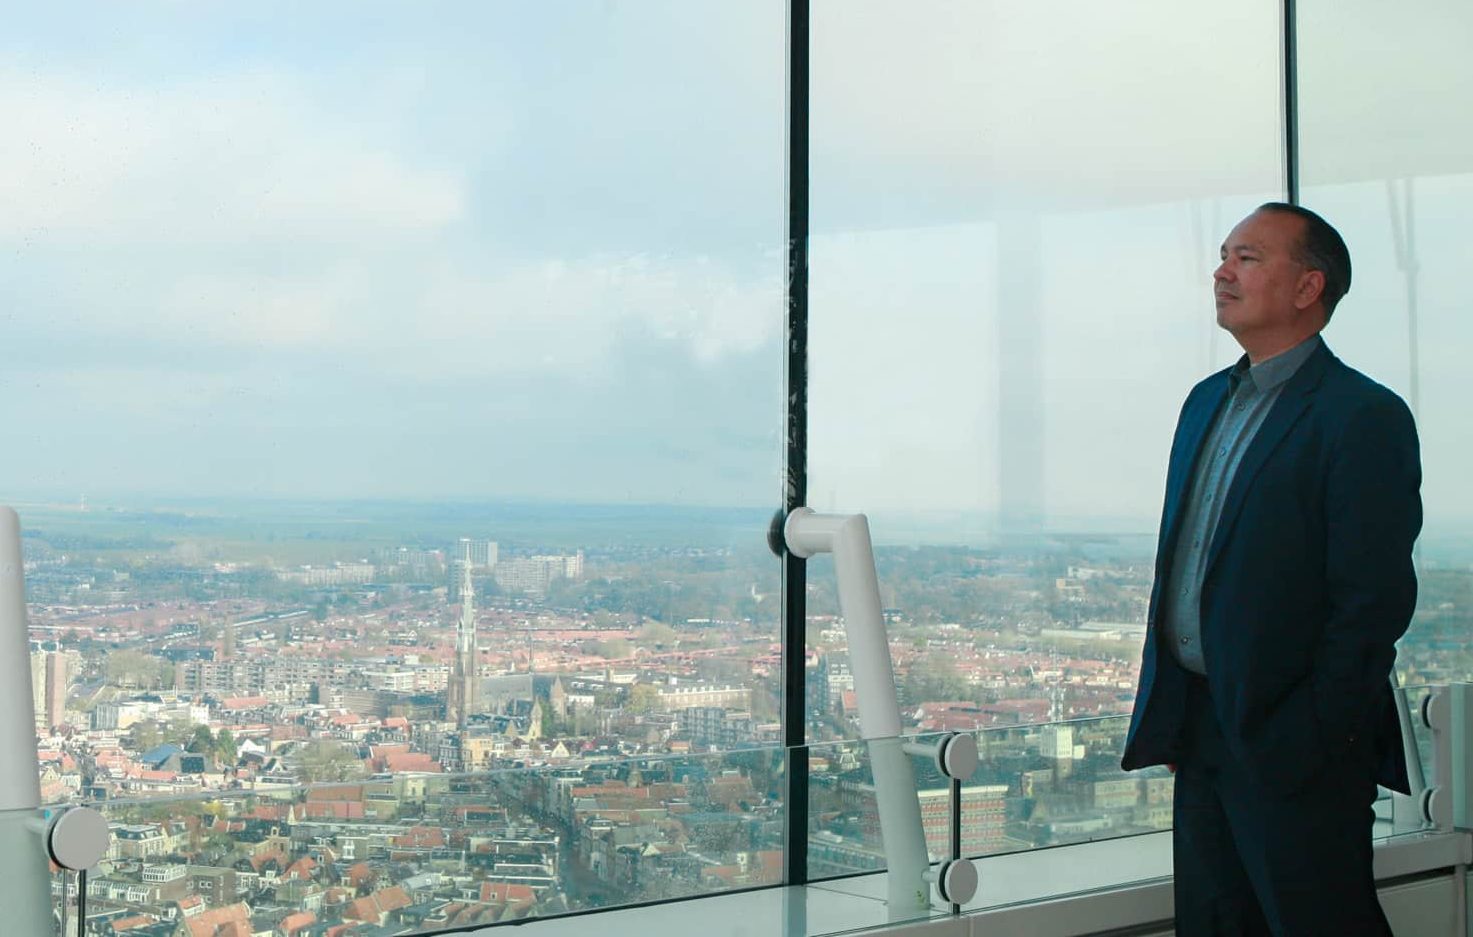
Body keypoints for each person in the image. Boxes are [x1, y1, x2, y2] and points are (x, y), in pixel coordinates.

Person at [1120, 203, 1421, 935]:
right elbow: (1189, 566)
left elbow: (1372, 603)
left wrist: (1310, 736)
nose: (1221, 272)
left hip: (1297, 744)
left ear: (1307, 287)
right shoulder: (1204, 402)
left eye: (1247, 258)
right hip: (1201, 730)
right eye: (1224, 255)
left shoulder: (1361, 415)